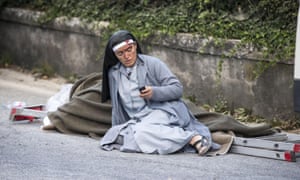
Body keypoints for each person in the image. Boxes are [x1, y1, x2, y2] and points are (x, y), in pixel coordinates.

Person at [100, 30, 219, 155]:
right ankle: (175, 138)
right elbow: (117, 106)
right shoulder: (113, 73)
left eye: (129, 50)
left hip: (163, 111)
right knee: (120, 136)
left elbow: (177, 89)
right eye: (120, 53)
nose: (127, 56)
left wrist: (154, 93)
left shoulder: (152, 64)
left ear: (135, 46)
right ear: (115, 55)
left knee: (140, 133)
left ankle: (193, 138)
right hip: (137, 121)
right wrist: (118, 128)